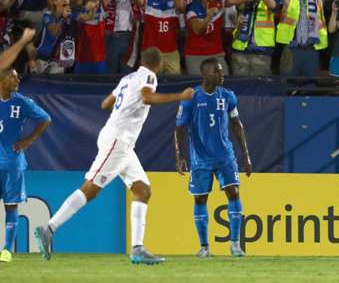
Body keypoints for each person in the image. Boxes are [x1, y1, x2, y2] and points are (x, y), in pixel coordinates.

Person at [34, 48, 194, 264]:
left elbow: (105, 103)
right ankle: (49, 228)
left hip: (122, 142)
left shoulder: (128, 78)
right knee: (90, 189)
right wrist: (179, 96)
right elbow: (146, 97)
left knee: (143, 190)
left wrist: (124, 110)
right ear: (159, 64)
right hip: (118, 140)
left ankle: (137, 248)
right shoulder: (149, 76)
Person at [174, 59, 252, 257]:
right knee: (200, 199)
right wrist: (180, 156)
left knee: (234, 193)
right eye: (217, 72)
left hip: (225, 156)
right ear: (205, 74)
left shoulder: (227, 96)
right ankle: (204, 247)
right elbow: (180, 128)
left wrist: (246, 155)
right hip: (200, 159)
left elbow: (236, 124)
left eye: (221, 71)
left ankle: (235, 245)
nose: (221, 74)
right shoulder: (191, 97)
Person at [0, 68, 51, 263]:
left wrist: (29, 139)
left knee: (11, 205)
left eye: (17, 75)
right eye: (13, 75)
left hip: (12, 163)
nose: (17, 78)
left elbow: (46, 119)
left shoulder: (21, 102)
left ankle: (6, 250)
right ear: (2, 79)